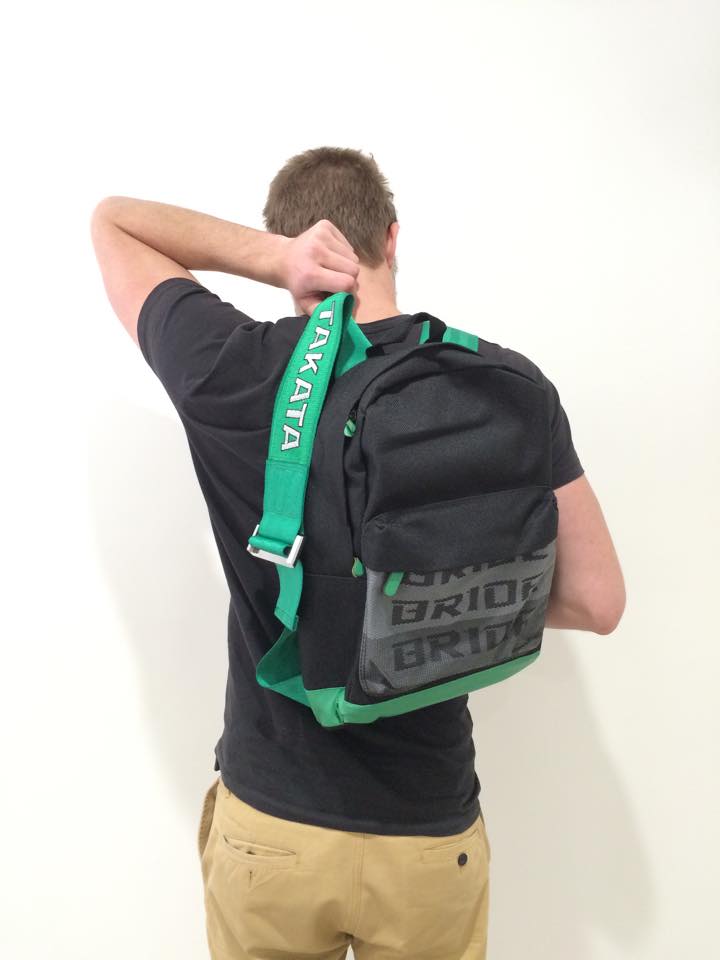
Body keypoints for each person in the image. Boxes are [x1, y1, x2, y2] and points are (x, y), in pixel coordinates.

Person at [90, 146, 626, 960]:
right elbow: (597, 600)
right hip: (428, 835)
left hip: (272, 829)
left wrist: (273, 260)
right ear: (394, 238)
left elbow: (114, 223)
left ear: (294, 243)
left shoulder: (233, 369)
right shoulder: (505, 385)